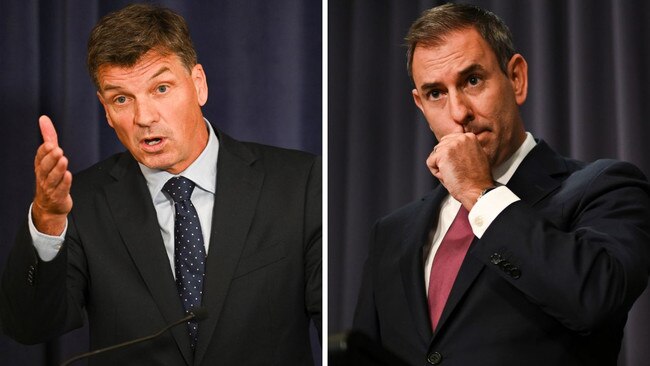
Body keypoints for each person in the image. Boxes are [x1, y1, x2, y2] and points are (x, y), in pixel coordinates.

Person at [0, 4, 321, 365]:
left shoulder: (299, 183)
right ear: (105, 111)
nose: (144, 117)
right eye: (121, 99)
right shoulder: (81, 202)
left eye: (161, 88)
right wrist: (46, 220)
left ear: (198, 84)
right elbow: (28, 328)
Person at [353, 3, 650, 365]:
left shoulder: (603, 188)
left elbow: (595, 298)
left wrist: (479, 194)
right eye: (436, 93)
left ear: (516, 78)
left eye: (472, 80)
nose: (458, 112)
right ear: (420, 105)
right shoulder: (391, 233)